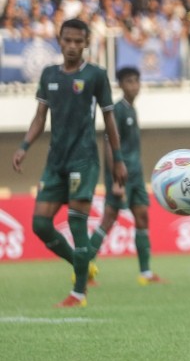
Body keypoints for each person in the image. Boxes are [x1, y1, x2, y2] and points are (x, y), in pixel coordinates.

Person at [11, 18, 128, 308]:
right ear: (59, 41)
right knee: (40, 224)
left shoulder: (95, 76)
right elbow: (40, 117)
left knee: (77, 226)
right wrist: (24, 146)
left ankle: (79, 293)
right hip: (55, 162)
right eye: (68, 40)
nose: (73, 46)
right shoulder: (49, 74)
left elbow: (109, 118)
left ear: (87, 42)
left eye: (79, 41)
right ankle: (83, 263)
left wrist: (118, 159)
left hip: (83, 161)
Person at [89, 66, 168, 286]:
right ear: (121, 85)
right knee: (108, 220)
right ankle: (84, 270)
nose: (134, 85)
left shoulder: (132, 110)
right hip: (121, 177)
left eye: (136, 81)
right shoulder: (118, 110)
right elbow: (108, 145)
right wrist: (116, 180)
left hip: (136, 175)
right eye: (129, 81)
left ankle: (145, 273)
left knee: (142, 217)